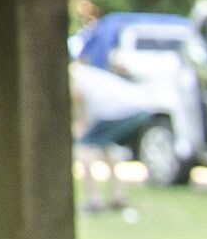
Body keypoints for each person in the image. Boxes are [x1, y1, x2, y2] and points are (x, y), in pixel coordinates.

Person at [68, 44, 163, 219]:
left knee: (84, 149)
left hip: (122, 111)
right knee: (104, 149)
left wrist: (81, 126)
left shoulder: (74, 75)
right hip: (138, 108)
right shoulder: (87, 73)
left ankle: (94, 200)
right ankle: (118, 196)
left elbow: (79, 102)